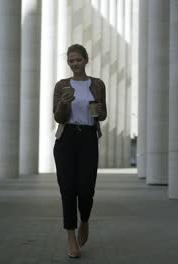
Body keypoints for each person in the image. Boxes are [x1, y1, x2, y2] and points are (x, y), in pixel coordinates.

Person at [53, 44, 107, 258]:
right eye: (71, 60)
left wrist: (100, 111)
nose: (75, 63)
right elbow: (58, 118)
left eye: (78, 59)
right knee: (67, 189)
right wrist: (64, 104)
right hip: (65, 139)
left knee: (86, 189)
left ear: (86, 60)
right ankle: (70, 237)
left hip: (87, 138)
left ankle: (84, 220)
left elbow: (101, 116)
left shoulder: (97, 84)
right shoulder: (62, 85)